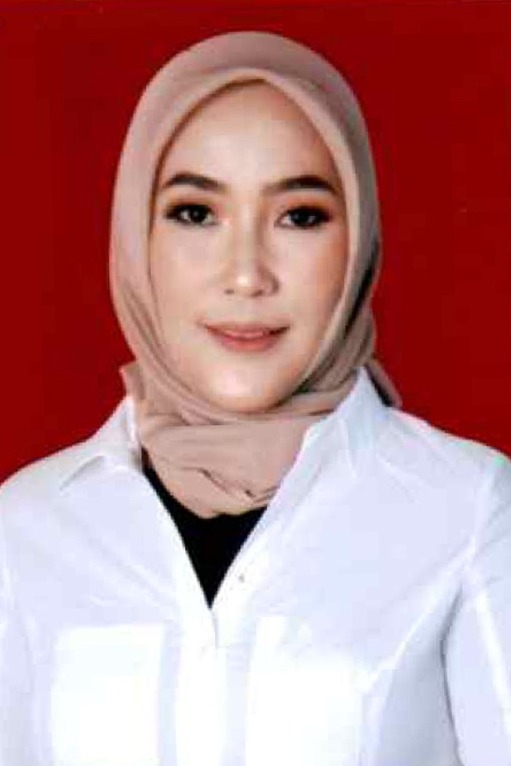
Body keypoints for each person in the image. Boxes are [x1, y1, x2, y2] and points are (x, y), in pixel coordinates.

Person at [0, 28, 510, 766]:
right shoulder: (25, 529)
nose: (245, 274)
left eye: (299, 216)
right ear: (137, 240)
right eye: (195, 213)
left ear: (357, 242)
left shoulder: (468, 509)